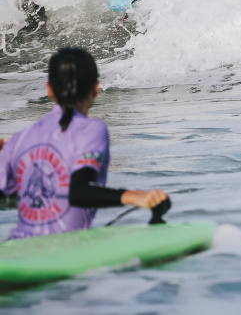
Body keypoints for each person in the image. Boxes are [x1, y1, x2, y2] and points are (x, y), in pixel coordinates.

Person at [0, 47, 168, 239]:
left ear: (49, 90)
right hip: (64, 249)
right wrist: (138, 197)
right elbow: (78, 192)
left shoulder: (20, 138)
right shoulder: (92, 129)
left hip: (18, 246)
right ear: (96, 88)